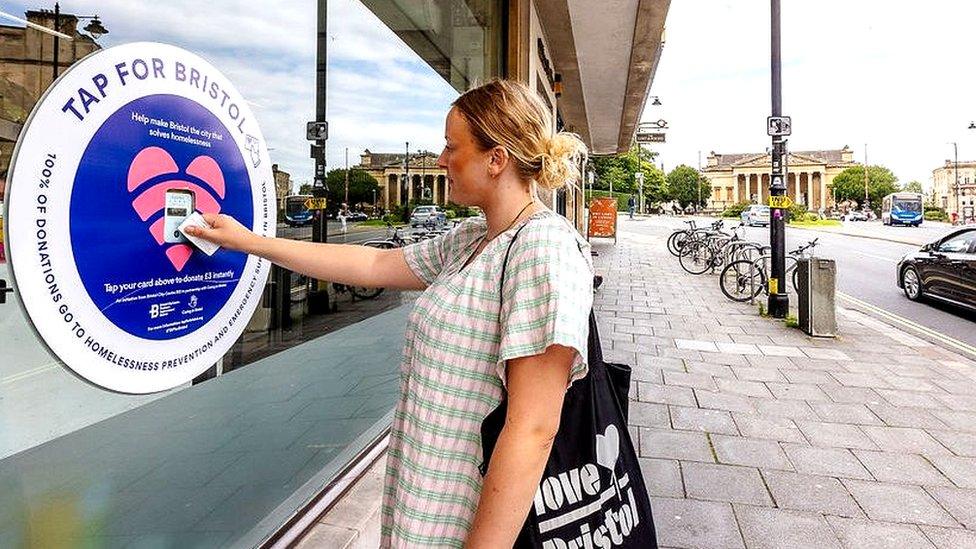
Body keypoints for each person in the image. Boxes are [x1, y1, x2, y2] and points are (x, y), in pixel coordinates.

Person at [185, 79, 593, 547]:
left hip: (465, 521)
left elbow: (534, 428)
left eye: (451, 145)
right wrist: (247, 241)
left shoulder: (543, 249)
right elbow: (374, 263)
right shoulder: (475, 238)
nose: (440, 159)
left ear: (496, 159)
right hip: (421, 504)